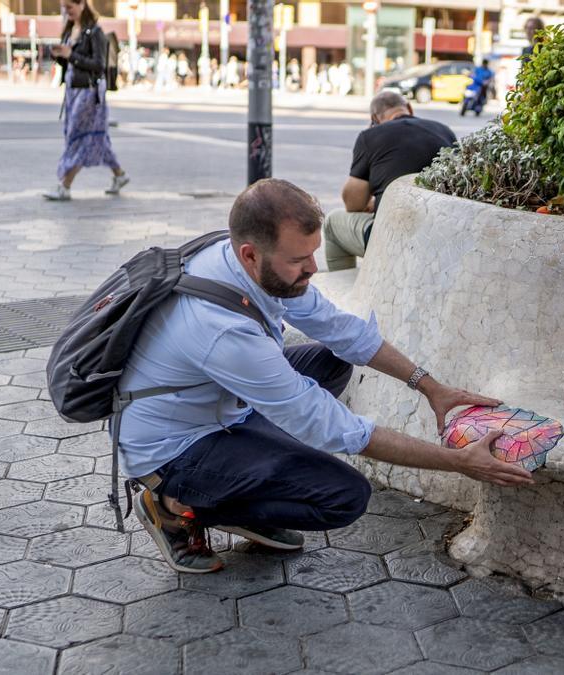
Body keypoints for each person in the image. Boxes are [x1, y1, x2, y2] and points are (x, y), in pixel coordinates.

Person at [122, 178, 532, 573]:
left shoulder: (240, 259)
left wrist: (431, 387)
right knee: (343, 496)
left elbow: (340, 329)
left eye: (313, 253)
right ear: (250, 254)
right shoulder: (222, 330)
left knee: (333, 361)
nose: (313, 268)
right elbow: (334, 428)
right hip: (173, 446)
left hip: (215, 401)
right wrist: (458, 462)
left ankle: (244, 487)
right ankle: (173, 506)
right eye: (299, 261)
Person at [323, 91, 456, 271]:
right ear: (409, 108)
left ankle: (346, 292)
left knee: (331, 222)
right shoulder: (444, 130)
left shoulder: (370, 137)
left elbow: (353, 204)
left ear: (374, 118)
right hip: (441, 236)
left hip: (391, 240)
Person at [43, 0, 129, 202]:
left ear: (82, 5)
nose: (66, 11)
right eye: (64, 7)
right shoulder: (70, 30)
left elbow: (98, 65)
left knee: (80, 137)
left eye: (69, 7)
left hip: (89, 94)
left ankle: (65, 185)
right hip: (73, 92)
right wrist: (59, 56)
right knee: (96, 138)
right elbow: (69, 61)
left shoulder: (94, 32)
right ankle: (120, 174)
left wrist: (71, 54)